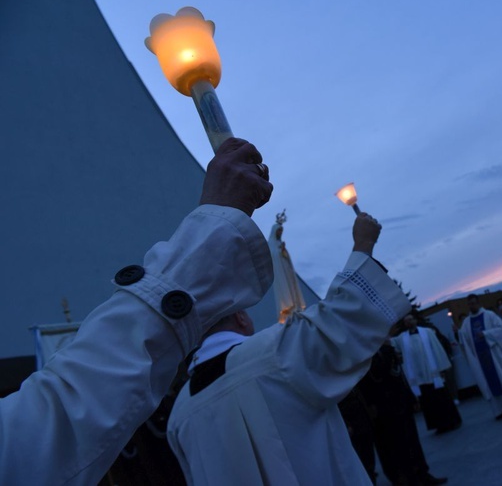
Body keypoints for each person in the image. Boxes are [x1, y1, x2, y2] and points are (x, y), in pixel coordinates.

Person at [0, 137, 274, 485]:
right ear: (242, 317)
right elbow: (54, 426)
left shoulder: (184, 408)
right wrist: (218, 223)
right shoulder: (275, 357)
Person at [167, 212, 411, 485]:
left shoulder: (179, 414)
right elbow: (343, 322)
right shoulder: (273, 352)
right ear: (241, 318)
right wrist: (363, 244)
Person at [354, 338, 448, 485]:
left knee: (412, 441)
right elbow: (376, 376)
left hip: (401, 402)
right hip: (382, 408)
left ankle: (422, 473)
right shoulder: (363, 351)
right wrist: (387, 352)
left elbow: (399, 375)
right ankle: (404, 478)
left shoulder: (387, 349)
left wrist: (411, 397)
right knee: (393, 447)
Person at [459, 294, 502, 420]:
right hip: (482, 359)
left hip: (497, 356)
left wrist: (486, 334)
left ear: (478, 303)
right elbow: (466, 341)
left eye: (474, 303)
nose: (472, 306)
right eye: (469, 304)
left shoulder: (489, 315)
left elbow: (501, 330)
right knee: (490, 383)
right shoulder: (466, 323)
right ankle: (500, 410)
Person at [392, 313, 462, 434]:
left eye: (410, 319)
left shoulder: (427, 332)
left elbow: (437, 349)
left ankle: (452, 421)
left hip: (433, 373)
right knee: (428, 402)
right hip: (420, 376)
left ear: (415, 320)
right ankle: (438, 425)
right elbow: (391, 344)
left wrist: (442, 368)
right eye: (406, 321)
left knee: (442, 399)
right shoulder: (402, 338)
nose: (408, 322)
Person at [267, 209, 306, 323]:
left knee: (292, 287)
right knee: (284, 289)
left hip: (287, 270)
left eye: (281, 231)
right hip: (280, 271)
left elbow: (285, 256)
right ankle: (287, 306)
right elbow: (273, 255)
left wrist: (283, 250)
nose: (280, 233)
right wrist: (280, 251)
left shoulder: (279, 243)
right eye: (278, 231)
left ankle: (295, 305)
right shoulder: (272, 244)